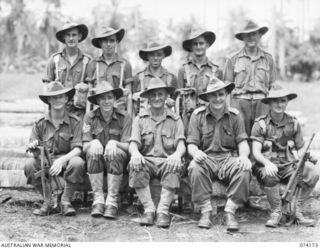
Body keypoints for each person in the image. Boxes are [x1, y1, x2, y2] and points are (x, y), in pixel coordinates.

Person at [187, 78, 252, 231]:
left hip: (228, 158)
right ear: (207, 98)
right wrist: (195, 153)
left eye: (221, 94)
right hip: (206, 158)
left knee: (244, 169)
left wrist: (243, 156)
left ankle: (230, 211)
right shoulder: (197, 116)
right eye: (214, 95)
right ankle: (205, 211)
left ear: (226, 95)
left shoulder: (235, 116)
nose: (218, 99)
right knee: (194, 167)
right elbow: (191, 144)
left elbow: (242, 142)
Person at [251, 86, 319, 227]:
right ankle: (276, 212)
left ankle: (297, 210)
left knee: (312, 173)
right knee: (270, 175)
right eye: (275, 101)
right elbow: (256, 152)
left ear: (287, 102)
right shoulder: (261, 124)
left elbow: (300, 148)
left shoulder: (293, 123)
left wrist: (306, 157)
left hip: (288, 165)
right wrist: (267, 163)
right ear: (269, 103)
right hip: (267, 164)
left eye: (283, 100)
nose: (279, 104)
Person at [129, 78, 186, 228]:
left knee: (175, 165)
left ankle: (163, 211)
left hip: (167, 161)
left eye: (160, 94)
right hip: (147, 161)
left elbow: (181, 144)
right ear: (147, 98)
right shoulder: (139, 119)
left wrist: (177, 155)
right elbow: (133, 143)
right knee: (135, 164)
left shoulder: (175, 119)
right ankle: (149, 210)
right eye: (152, 95)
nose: (156, 98)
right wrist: (135, 153)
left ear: (167, 96)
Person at [24, 81, 84, 216]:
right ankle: (48, 201)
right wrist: (34, 151)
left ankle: (65, 201)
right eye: (53, 97)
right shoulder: (40, 123)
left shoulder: (75, 121)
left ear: (66, 99)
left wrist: (61, 161)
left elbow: (78, 149)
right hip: (46, 162)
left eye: (60, 97)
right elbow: (31, 151)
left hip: (66, 161)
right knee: (29, 165)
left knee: (78, 162)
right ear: (48, 100)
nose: (57, 100)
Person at [82, 81, 132, 218]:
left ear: (115, 99)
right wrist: (94, 141)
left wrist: (114, 142)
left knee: (115, 153)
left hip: (117, 162)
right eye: (102, 98)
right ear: (97, 100)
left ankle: (112, 201)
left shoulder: (124, 117)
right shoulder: (89, 117)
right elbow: (84, 146)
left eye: (109, 97)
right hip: (96, 162)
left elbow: (128, 146)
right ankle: (98, 200)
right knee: (92, 151)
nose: (106, 101)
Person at [223, 20, 276, 136]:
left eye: (254, 34)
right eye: (248, 35)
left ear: (260, 36)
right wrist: (228, 110)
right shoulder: (233, 59)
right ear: (243, 38)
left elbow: (273, 86)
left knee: (261, 137)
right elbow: (226, 89)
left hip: (262, 103)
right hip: (239, 103)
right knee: (241, 138)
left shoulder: (268, 59)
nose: (251, 37)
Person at [43, 22, 91, 118]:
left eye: (74, 35)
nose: (71, 38)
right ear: (64, 38)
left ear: (80, 37)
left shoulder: (87, 61)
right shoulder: (54, 60)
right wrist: (46, 114)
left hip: (80, 114)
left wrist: (88, 116)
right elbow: (46, 89)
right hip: (58, 112)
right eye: (68, 35)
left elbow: (91, 91)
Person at [87, 27, 133, 112]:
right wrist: (87, 119)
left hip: (119, 114)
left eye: (112, 41)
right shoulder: (93, 64)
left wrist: (129, 119)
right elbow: (89, 95)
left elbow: (129, 96)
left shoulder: (125, 64)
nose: (108, 44)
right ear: (100, 43)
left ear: (116, 42)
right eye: (105, 41)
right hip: (98, 115)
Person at [177, 29, 222, 95]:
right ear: (191, 47)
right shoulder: (183, 70)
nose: (198, 47)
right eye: (195, 44)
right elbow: (179, 96)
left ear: (207, 45)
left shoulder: (217, 71)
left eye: (201, 43)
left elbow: (220, 95)